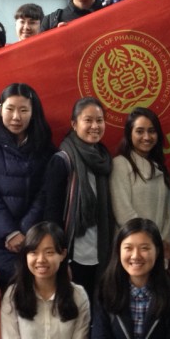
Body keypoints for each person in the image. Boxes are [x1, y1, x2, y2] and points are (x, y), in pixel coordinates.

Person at [0, 83, 55, 288]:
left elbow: (44, 192)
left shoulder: (44, 147)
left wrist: (24, 232)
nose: (16, 117)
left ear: (33, 112)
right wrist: (9, 232)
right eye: (10, 109)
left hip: (31, 241)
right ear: (0, 109)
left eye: (23, 110)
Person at [42, 97, 114, 296]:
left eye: (99, 121)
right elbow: (51, 216)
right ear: (74, 124)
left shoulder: (105, 160)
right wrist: (60, 259)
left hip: (100, 255)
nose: (95, 126)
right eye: (88, 120)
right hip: (73, 257)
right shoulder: (62, 161)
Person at [110, 107, 170, 261]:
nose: (146, 137)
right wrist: (148, 243)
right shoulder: (120, 165)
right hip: (132, 252)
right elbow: (124, 213)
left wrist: (164, 243)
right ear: (129, 134)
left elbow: (168, 214)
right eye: (139, 131)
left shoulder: (160, 167)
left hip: (158, 252)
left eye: (151, 131)